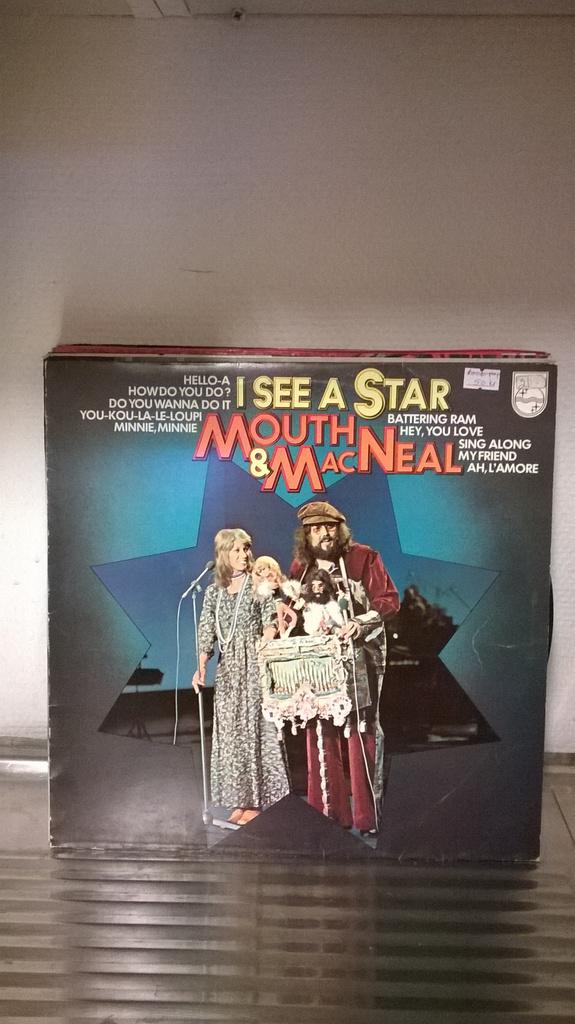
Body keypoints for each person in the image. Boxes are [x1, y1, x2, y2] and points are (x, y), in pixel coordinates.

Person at [290, 501, 399, 833]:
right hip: (317, 663)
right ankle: (329, 816)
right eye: (317, 529)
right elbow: (290, 607)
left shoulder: (364, 557)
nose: (325, 533)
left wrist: (360, 623)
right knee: (319, 731)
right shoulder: (300, 568)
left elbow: (389, 599)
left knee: (362, 730)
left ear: (341, 529)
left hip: (362, 656)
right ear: (306, 535)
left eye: (330, 527)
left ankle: (369, 818)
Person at [193, 529, 290, 826]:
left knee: (255, 731)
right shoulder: (214, 592)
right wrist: (201, 667)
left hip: (255, 664)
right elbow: (206, 630)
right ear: (223, 554)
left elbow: (270, 618)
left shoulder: (257, 583)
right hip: (228, 671)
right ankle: (240, 801)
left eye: (246, 549)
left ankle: (259, 801)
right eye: (236, 550)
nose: (244, 555)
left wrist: (266, 641)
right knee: (231, 734)